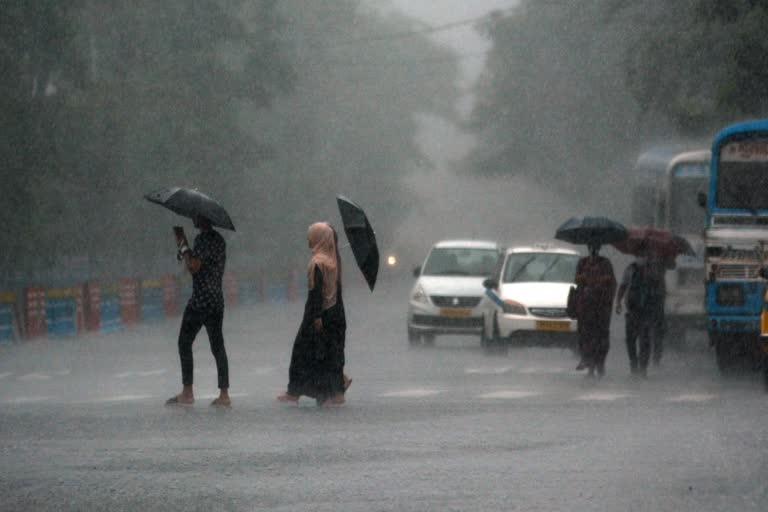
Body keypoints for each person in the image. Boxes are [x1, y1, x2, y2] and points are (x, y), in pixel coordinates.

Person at [277, 222, 351, 407]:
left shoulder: (317, 262)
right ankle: (336, 391)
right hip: (336, 312)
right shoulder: (335, 261)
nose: (308, 239)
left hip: (318, 313)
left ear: (319, 238)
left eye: (311, 235)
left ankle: (296, 392)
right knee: (331, 352)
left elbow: (315, 293)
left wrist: (316, 317)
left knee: (302, 351)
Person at [165, 215, 230, 407]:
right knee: (217, 346)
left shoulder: (202, 239)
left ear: (201, 218)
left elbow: (193, 266)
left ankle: (187, 392)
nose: (192, 218)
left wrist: (183, 244)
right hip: (216, 300)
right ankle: (224, 394)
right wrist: (186, 251)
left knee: (184, 342)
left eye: (195, 216)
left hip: (201, 300)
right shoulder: (219, 240)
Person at [616, 252, 666, 377]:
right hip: (632, 310)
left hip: (647, 312)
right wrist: (618, 302)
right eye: (639, 254)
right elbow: (623, 286)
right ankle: (634, 364)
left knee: (644, 341)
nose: (642, 258)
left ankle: (643, 368)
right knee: (631, 340)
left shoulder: (654, 270)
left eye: (644, 255)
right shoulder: (631, 269)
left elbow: (660, 291)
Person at [574, 243, 616, 378]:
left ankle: (600, 364)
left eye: (595, 248)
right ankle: (589, 364)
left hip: (602, 307)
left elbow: (611, 283)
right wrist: (585, 277)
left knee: (601, 338)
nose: (593, 250)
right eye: (591, 247)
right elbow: (577, 280)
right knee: (586, 336)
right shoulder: (583, 262)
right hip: (586, 307)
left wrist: (601, 282)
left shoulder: (605, 263)